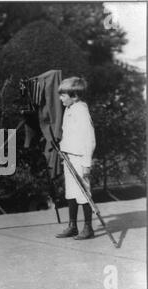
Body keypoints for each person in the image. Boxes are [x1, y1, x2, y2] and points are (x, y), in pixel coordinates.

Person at [55, 77, 96, 240]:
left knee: (84, 193)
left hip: (80, 159)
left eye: (63, 95)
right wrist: (63, 149)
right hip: (69, 157)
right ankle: (73, 225)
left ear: (74, 95)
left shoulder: (81, 110)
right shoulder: (69, 109)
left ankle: (88, 227)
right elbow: (69, 134)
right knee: (71, 192)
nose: (60, 98)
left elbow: (89, 139)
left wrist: (87, 163)